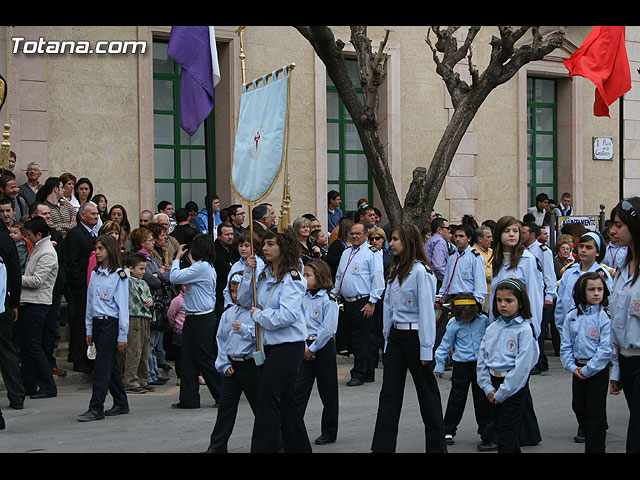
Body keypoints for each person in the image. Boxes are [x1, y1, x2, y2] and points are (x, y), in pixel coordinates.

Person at [370, 223, 446, 453]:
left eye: (395, 239)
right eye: (390, 239)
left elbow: (426, 312)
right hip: (396, 337)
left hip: (415, 336)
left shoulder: (421, 272)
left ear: (409, 242)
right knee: (389, 394)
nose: (390, 243)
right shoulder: (395, 270)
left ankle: (436, 446)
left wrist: (426, 348)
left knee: (427, 394)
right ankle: (382, 447)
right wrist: (386, 338)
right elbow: (389, 309)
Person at [238, 229, 312, 453]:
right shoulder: (264, 274)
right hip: (269, 345)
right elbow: (243, 299)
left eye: (271, 244)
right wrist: (247, 272)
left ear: (283, 248)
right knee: (287, 402)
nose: (265, 248)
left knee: (267, 398)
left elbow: (288, 315)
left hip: (289, 345)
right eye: (265, 244)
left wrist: (260, 316)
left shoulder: (293, 277)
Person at [481, 215, 543, 450]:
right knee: (509, 384)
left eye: (516, 231)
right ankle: (525, 432)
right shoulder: (495, 259)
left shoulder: (527, 259)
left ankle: (501, 433)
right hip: (499, 327)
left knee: (516, 382)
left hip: (520, 327)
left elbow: (534, 295)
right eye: (507, 231)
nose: (512, 235)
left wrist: (532, 326)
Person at [476, 278, 539, 453]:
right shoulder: (492, 328)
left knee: (506, 432)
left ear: (520, 303)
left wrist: (503, 392)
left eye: (509, 300)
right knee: (501, 429)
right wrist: (487, 387)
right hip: (493, 385)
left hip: (513, 387)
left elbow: (523, 367)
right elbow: (482, 359)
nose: (503, 305)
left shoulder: (524, 330)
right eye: (499, 300)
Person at [77, 234, 130, 422]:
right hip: (98, 322)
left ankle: (96, 407)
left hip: (110, 323)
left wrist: (123, 334)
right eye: (96, 248)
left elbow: (123, 307)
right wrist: (89, 329)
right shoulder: (95, 274)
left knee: (101, 366)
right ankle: (121, 402)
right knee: (110, 365)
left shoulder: (119, 276)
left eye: (101, 249)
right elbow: (90, 303)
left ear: (110, 250)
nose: (97, 252)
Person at [205, 271, 259, 453]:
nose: (236, 296)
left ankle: (275, 441)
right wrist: (224, 364)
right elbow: (221, 341)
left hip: (250, 364)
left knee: (260, 408)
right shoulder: (228, 314)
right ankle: (217, 446)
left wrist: (245, 330)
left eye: (240, 291)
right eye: (233, 292)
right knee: (225, 409)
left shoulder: (256, 313)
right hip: (232, 366)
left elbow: (261, 338)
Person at [560, 271, 612, 453]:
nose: (596, 293)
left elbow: (606, 349)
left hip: (597, 369)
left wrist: (588, 370)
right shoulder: (572, 316)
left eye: (600, 289)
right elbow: (566, 345)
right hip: (578, 368)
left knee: (595, 410)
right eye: (591, 289)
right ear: (582, 292)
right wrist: (573, 367)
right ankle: (593, 433)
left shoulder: (604, 316)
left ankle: (596, 447)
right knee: (579, 406)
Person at [169, 234, 221, 409]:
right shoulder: (201, 267)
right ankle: (189, 398)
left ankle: (221, 394)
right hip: (194, 317)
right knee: (188, 359)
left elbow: (174, 277)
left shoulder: (202, 267)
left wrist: (177, 258)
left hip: (201, 318)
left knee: (204, 358)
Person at [331, 221, 385, 386]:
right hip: (347, 301)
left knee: (361, 339)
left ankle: (358, 373)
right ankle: (368, 371)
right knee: (355, 338)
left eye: (358, 234)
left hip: (364, 300)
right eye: (351, 234)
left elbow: (377, 278)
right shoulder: (346, 253)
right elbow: (340, 276)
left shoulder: (371, 253)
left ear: (365, 235)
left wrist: (372, 301)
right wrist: (334, 294)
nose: (354, 236)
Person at [434, 293, 491, 446]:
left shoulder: (484, 321)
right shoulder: (453, 324)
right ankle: (448, 430)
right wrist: (439, 364)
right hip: (461, 366)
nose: (465, 320)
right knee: (456, 399)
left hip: (480, 365)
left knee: (483, 401)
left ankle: (487, 431)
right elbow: (445, 344)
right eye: (462, 317)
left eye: (469, 317)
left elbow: (491, 340)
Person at [294, 260, 339, 446]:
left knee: (328, 392)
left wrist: (313, 348)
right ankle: (293, 429)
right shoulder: (301, 297)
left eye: (308, 275)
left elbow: (328, 328)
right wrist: (305, 346)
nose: (304, 278)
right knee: (298, 391)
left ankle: (329, 431)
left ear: (319, 277)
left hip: (322, 346)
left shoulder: (328, 299)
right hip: (304, 346)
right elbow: (299, 322)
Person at [607, 197, 640, 453]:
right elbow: (617, 325)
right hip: (627, 361)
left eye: (619, 225)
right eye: (612, 225)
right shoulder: (621, 268)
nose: (613, 231)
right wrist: (617, 371)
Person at [17, 216, 59, 399]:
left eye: (29, 235)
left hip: (38, 303)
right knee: (26, 346)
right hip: (29, 301)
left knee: (34, 345)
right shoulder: (37, 248)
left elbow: (37, 281)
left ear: (39, 235)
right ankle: (29, 384)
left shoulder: (47, 252)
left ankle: (48, 385)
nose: (28, 238)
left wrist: (14, 279)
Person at [130, 226, 171, 386]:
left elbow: (166, 276)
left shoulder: (152, 258)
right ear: (141, 243)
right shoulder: (140, 259)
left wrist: (159, 274)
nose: (153, 242)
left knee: (154, 341)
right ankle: (148, 374)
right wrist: (159, 275)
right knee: (149, 342)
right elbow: (152, 280)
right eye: (149, 240)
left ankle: (153, 372)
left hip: (159, 302)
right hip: (150, 302)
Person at [65, 202, 100, 374]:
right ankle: (79, 359)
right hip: (81, 288)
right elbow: (72, 261)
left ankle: (88, 357)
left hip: (91, 286)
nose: (96, 216)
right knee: (80, 323)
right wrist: (79, 283)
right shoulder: (75, 234)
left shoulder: (94, 235)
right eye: (92, 213)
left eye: (97, 213)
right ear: (82, 216)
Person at [555, 232, 612, 335]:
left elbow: (609, 303)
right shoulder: (569, 273)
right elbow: (561, 303)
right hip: (570, 329)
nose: (583, 250)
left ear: (598, 252)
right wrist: (562, 331)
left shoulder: (602, 274)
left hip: (594, 331)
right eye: (581, 246)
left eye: (589, 247)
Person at [521, 222, 557, 375]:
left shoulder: (543, 251)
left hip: (541, 295)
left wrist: (549, 296)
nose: (520, 236)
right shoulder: (523, 251)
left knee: (539, 329)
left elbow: (549, 275)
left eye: (523, 233)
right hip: (528, 294)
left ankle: (539, 360)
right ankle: (541, 360)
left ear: (532, 235)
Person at [123, 252, 154, 394]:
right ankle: (130, 380)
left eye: (144, 269)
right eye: (140, 269)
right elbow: (122, 274)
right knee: (134, 350)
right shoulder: (127, 281)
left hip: (145, 318)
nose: (143, 272)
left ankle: (142, 378)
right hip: (133, 317)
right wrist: (126, 270)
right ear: (131, 269)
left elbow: (149, 297)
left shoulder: (144, 283)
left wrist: (150, 302)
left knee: (144, 350)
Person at [214, 222, 240, 321]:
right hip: (220, 290)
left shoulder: (234, 248)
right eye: (227, 234)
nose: (230, 237)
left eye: (232, 234)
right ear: (219, 236)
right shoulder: (215, 250)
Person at [167, 284, 186, 385]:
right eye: (185, 285)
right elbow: (171, 314)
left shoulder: (195, 299)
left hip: (190, 332)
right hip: (179, 332)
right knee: (179, 356)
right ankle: (180, 376)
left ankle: (197, 375)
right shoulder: (177, 300)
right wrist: (175, 325)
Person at [423, 217, 450, 289]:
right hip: (436, 281)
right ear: (439, 230)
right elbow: (438, 265)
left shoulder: (431, 240)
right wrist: (447, 280)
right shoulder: (440, 242)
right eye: (447, 228)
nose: (449, 231)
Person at [472, 225, 493, 306]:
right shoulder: (473, 253)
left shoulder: (491, 252)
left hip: (493, 291)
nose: (491, 240)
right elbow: (485, 274)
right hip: (483, 293)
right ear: (480, 239)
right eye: (488, 237)